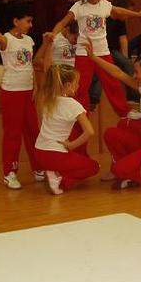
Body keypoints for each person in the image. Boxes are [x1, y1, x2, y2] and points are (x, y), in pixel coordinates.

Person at [49, 0, 141, 117]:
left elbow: (119, 11)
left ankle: (124, 112)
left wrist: (137, 14)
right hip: (84, 53)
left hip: (102, 51)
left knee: (112, 82)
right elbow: (63, 23)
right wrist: (53, 34)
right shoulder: (79, 6)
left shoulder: (104, 4)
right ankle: (80, 115)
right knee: (80, 86)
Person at [84, 45, 141, 189]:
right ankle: (133, 173)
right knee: (111, 134)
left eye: (137, 72)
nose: (134, 76)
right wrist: (94, 58)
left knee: (118, 170)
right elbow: (118, 73)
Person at [0, 6, 43, 190]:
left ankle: (38, 168)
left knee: (33, 131)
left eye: (31, 21)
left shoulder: (29, 40)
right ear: (16, 21)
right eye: (27, 21)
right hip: (12, 92)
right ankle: (9, 173)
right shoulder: (7, 39)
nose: (30, 25)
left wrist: (35, 85)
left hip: (28, 92)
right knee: (13, 133)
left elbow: (30, 65)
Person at [34, 63, 99, 194]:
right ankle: (60, 179)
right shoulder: (73, 105)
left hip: (39, 152)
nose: (78, 85)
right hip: (55, 155)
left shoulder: (47, 99)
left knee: (71, 161)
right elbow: (90, 131)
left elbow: (40, 123)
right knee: (94, 167)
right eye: (77, 83)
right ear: (68, 85)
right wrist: (71, 145)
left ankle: (53, 172)